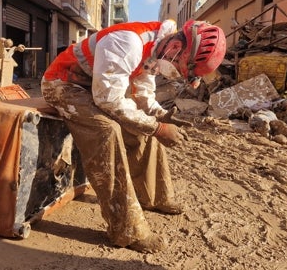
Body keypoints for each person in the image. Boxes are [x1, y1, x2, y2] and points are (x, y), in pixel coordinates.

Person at [41, 19, 226, 253]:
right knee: (106, 130)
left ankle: (154, 197)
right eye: (181, 67)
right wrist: (157, 129)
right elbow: (108, 99)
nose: (176, 73)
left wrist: (160, 116)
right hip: (63, 84)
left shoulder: (156, 49)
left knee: (146, 125)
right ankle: (126, 230)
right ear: (176, 48)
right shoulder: (126, 42)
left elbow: (142, 92)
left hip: (95, 88)